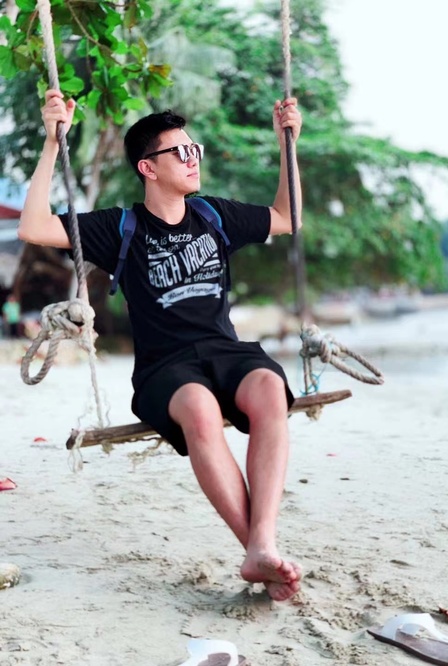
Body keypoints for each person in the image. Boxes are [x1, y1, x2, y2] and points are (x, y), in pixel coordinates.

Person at [19, 89, 303, 602]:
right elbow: (33, 227)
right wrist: (51, 142)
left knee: (268, 386)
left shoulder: (214, 216)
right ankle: (258, 550)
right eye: (181, 151)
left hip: (225, 351)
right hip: (164, 368)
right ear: (148, 168)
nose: (194, 159)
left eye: (195, 149)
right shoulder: (120, 227)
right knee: (198, 408)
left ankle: (262, 544)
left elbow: (288, 217)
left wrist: (289, 144)